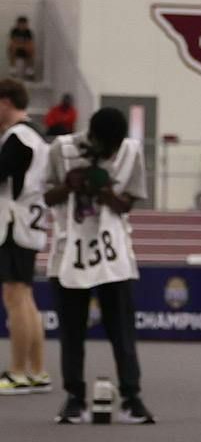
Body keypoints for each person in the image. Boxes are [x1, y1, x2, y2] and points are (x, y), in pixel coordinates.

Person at [44, 105, 150, 424]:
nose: (112, 151)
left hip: (113, 253)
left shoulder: (130, 152)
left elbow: (126, 204)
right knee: (72, 329)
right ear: (93, 137)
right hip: (69, 250)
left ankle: (132, 396)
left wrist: (104, 192)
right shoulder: (61, 149)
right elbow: (46, 197)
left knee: (121, 327)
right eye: (108, 145)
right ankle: (74, 396)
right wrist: (70, 185)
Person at [0, 79, 51, 394]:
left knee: (15, 297)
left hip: (14, 224)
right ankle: (37, 370)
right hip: (29, 224)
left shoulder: (18, 138)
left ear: (5, 102)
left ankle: (18, 371)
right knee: (25, 297)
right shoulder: (36, 137)